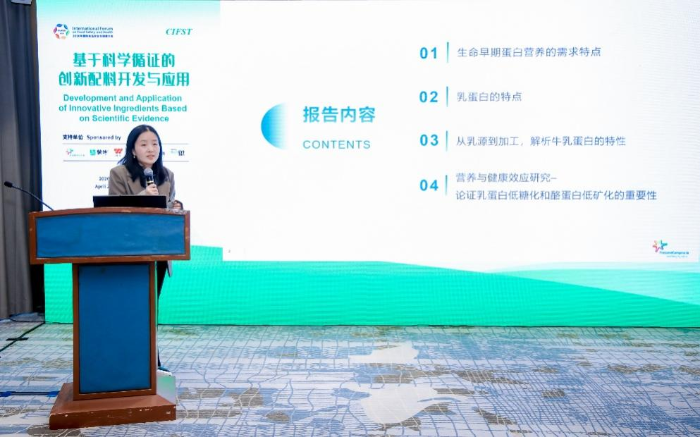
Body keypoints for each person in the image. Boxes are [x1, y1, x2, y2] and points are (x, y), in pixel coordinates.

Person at [108, 124, 182, 371]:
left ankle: (152, 362)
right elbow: (113, 212)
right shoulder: (118, 174)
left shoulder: (167, 175)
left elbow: (167, 210)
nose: (151, 149)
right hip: (130, 252)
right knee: (132, 308)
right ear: (133, 149)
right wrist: (142, 196)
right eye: (144, 144)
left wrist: (176, 209)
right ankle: (132, 360)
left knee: (151, 307)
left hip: (158, 252)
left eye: (155, 143)